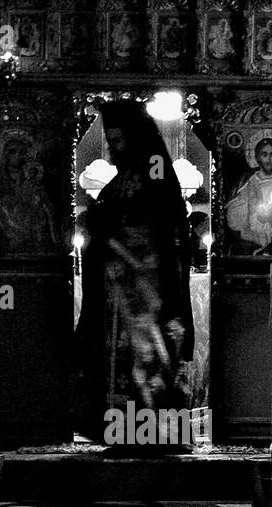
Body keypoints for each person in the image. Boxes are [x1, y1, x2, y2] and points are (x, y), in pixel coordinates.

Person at [74, 99, 194, 452]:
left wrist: (108, 230)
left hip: (148, 291)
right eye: (111, 142)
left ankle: (157, 436)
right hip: (121, 288)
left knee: (148, 359)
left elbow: (164, 230)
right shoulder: (128, 176)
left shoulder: (155, 171)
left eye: (119, 141)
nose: (114, 149)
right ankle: (126, 434)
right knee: (122, 362)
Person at [224, 137, 272, 253]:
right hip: (252, 237)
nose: (268, 159)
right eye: (264, 154)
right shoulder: (247, 182)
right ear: (257, 157)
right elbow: (235, 215)